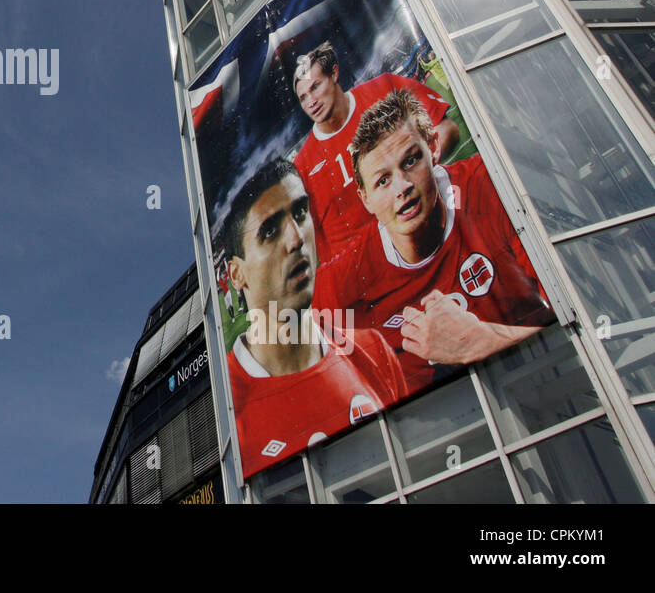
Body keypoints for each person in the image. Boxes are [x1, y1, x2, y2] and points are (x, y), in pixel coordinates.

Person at [313, 88, 554, 394]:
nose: (402, 187)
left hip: (555, 374)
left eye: (411, 161)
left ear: (434, 148)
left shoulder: (487, 186)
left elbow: (574, 314)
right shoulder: (352, 271)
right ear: (366, 199)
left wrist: (480, 342)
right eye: (383, 181)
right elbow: (283, 334)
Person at [221, 159, 407, 477]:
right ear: (236, 274)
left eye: (300, 213)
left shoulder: (373, 351)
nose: (296, 240)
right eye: (269, 231)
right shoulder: (225, 411)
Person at [292, 42, 460, 265]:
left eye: (315, 87)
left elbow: (447, 129)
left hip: (434, 237)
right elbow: (316, 246)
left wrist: (417, 169)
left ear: (334, 74)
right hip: (372, 274)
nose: (311, 102)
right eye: (303, 97)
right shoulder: (302, 168)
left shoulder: (384, 89)